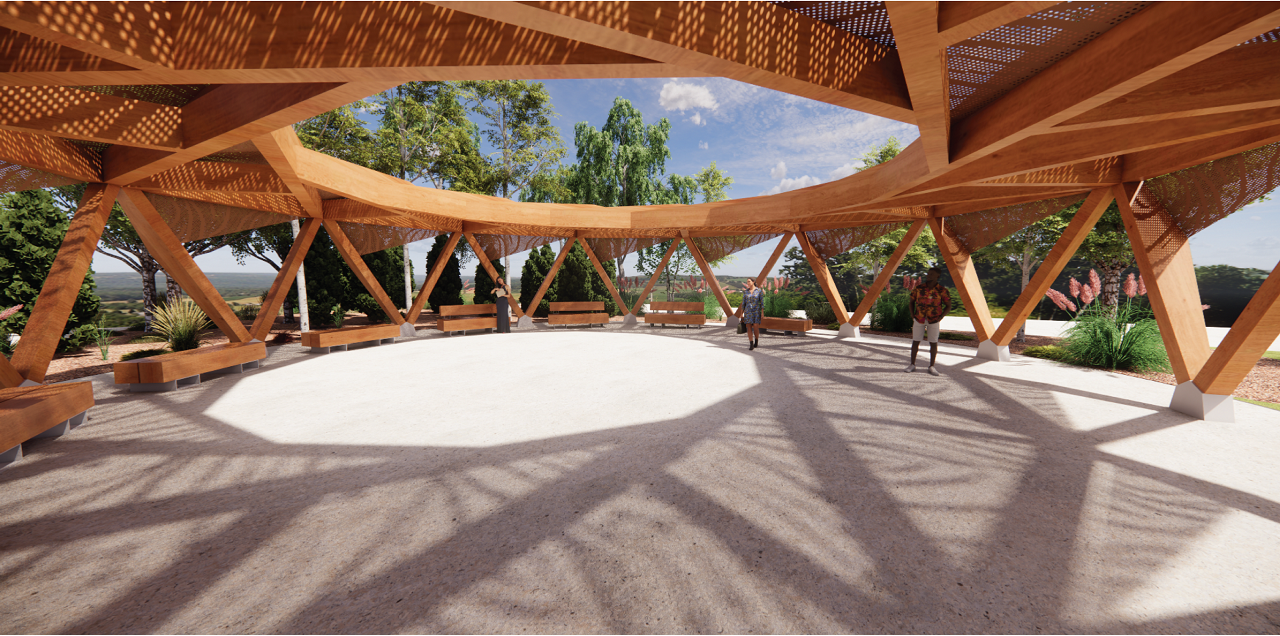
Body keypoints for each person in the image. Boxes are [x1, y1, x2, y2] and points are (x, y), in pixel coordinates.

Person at [907, 267, 951, 375]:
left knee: (933, 343)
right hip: (919, 319)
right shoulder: (918, 289)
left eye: (931, 274)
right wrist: (913, 315)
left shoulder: (942, 291)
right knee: (915, 342)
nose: (928, 275)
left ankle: (931, 366)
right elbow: (911, 302)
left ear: (937, 276)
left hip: (934, 320)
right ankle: (912, 364)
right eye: (928, 274)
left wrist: (940, 317)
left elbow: (948, 306)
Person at [741, 278, 764, 350]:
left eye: (749, 281)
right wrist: (741, 314)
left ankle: (756, 340)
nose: (747, 283)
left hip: (756, 312)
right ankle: (751, 343)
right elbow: (743, 303)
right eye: (747, 282)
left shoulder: (759, 291)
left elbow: (762, 303)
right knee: (749, 327)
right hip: (748, 312)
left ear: (753, 282)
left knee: (756, 327)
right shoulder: (746, 292)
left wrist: (762, 313)